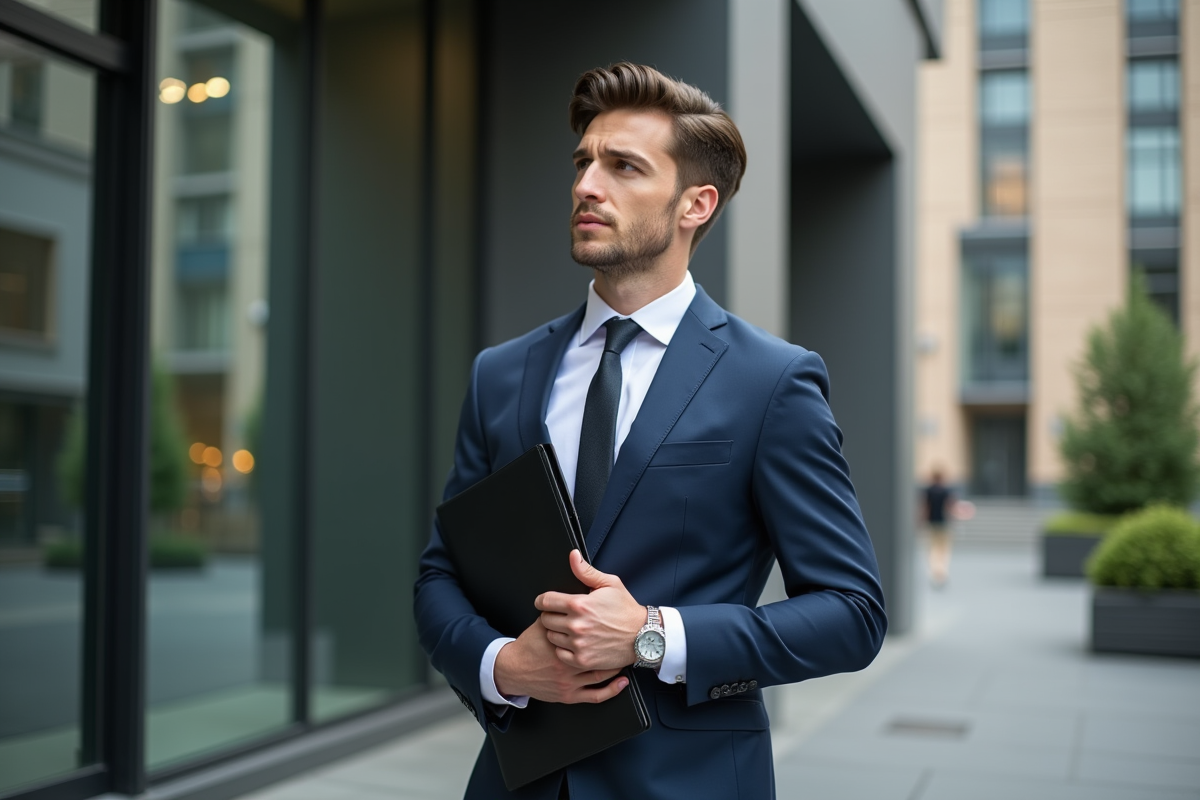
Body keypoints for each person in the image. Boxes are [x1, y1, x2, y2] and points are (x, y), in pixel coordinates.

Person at [413, 62, 886, 800]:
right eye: (583, 162)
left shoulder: (772, 381)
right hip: (517, 781)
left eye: (623, 166)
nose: (585, 186)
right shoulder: (500, 375)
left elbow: (852, 613)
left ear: (696, 203)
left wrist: (651, 635)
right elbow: (442, 575)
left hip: (689, 782)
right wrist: (501, 666)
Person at [922, 469, 956, 588]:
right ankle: (942, 573)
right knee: (944, 549)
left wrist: (921, 520)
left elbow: (926, 508)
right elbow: (950, 507)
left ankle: (934, 572)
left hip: (932, 522)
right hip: (943, 523)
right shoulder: (946, 491)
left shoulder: (929, 491)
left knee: (932, 549)